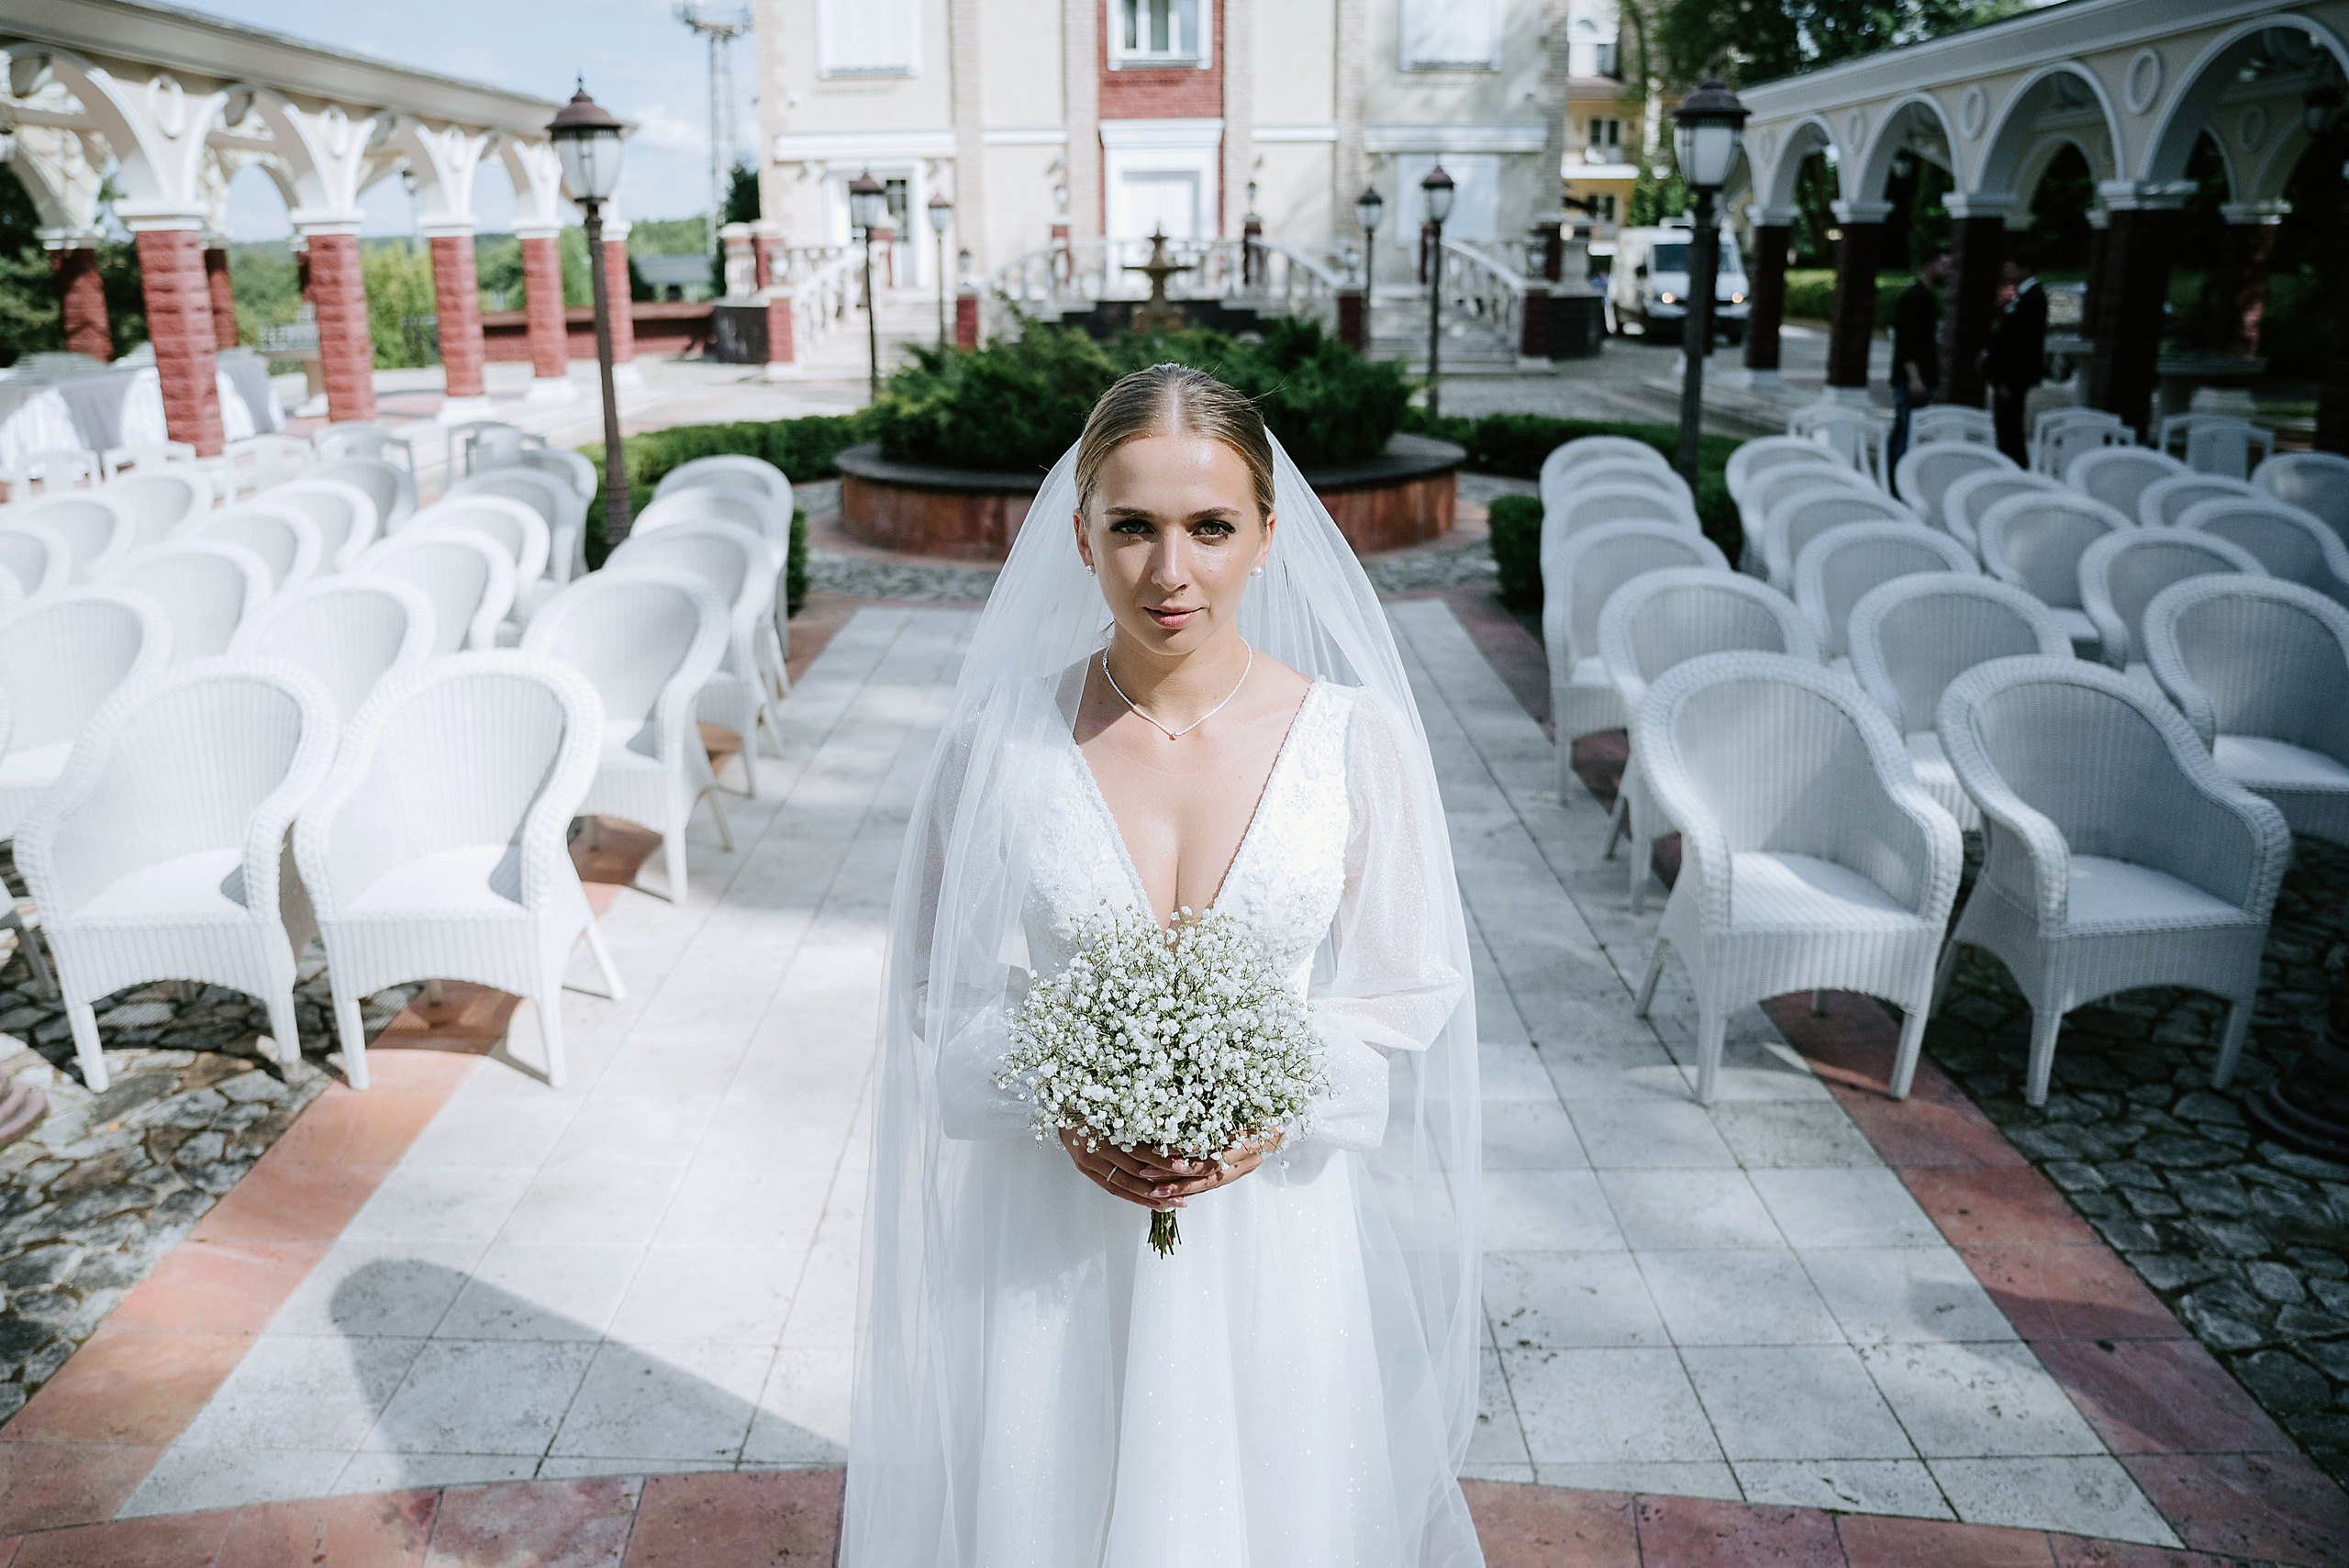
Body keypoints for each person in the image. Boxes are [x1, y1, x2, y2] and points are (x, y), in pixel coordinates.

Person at [845, 364, 1485, 1568]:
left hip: (1274, 1225)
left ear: (1267, 537)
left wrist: (1266, 1103)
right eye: (1132, 527)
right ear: (1080, 534)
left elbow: (1408, 982)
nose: (1168, 570)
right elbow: (939, 983)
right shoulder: (997, 743)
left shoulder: (1359, 741)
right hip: (1052, 1223)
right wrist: (1069, 1101)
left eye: (1208, 527)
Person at [1887, 249, 1950, 496]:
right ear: (1929, 265)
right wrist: (1915, 377)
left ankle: (1897, 483)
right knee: (1906, 431)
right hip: (1911, 379)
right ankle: (1898, 486)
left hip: (1920, 377)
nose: (1948, 272)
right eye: (1945, 265)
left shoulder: (1928, 297)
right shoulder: (1914, 298)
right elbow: (1907, 341)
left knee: (1904, 430)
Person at [1985, 257, 2048, 465]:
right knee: (2004, 423)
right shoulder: (2019, 295)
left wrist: (2004, 378)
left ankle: (2014, 465)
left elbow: (2020, 343)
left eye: (2011, 268)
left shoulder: (2033, 297)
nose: (2006, 273)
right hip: (2008, 373)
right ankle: (2008, 462)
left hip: (2013, 376)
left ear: (2026, 269)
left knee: (2009, 424)